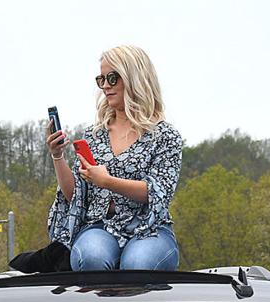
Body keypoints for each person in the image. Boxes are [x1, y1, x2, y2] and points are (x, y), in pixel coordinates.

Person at [46, 45, 183, 271]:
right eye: (101, 80)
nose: (106, 86)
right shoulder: (94, 134)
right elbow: (76, 196)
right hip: (101, 227)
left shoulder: (165, 136)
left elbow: (158, 192)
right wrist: (57, 156)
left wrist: (107, 181)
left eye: (112, 78)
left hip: (150, 229)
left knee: (138, 264)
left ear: (134, 78)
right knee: (91, 257)